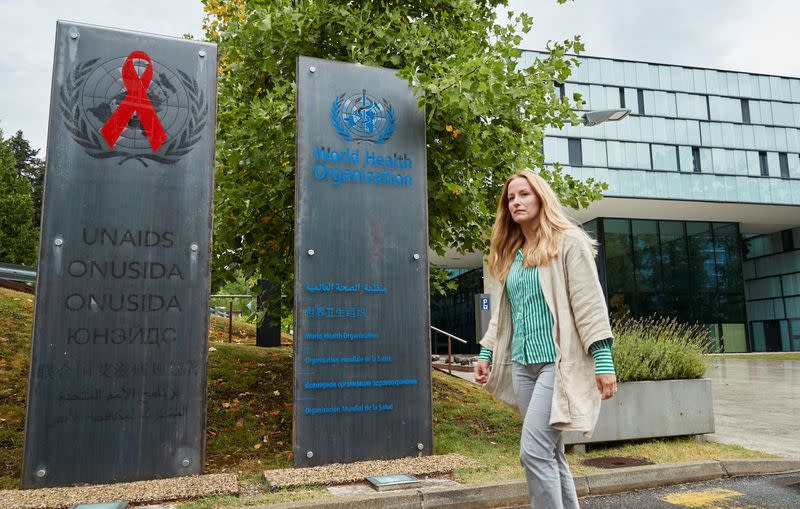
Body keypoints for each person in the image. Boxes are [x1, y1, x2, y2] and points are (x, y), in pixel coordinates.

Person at [473, 170, 617, 509]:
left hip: (557, 364)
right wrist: (486, 351)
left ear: (540, 198)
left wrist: (603, 358)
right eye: (510, 198)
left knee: (533, 452)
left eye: (524, 194)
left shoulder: (568, 241)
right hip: (524, 366)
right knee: (551, 453)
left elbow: (589, 303)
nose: (516, 202)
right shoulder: (514, 253)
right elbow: (504, 314)